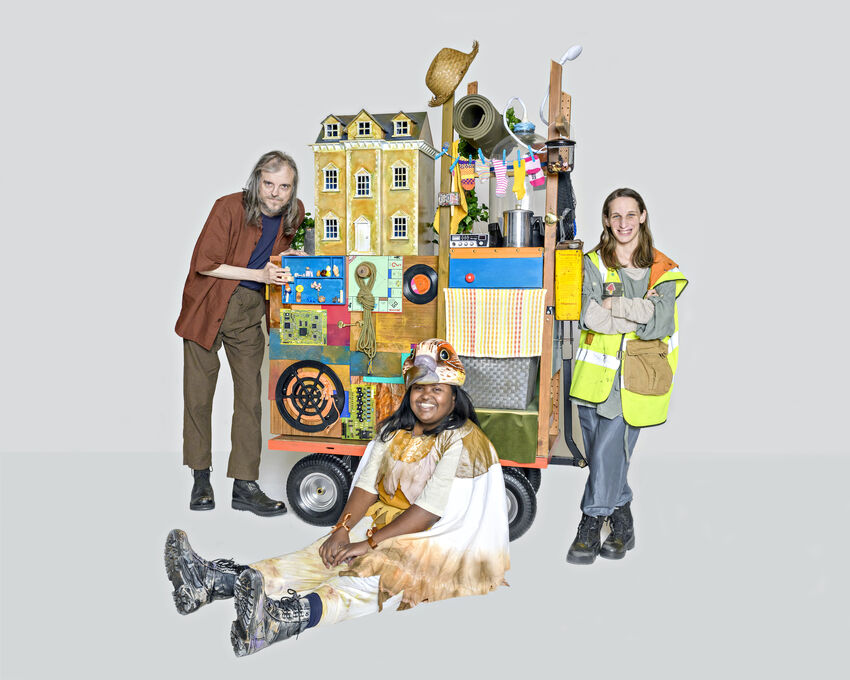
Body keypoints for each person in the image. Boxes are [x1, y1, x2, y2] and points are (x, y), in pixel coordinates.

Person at [164, 339, 509, 657]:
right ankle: (211, 583)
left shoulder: (463, 440)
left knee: (374, 573)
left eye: (437, 389)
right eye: (419, 387)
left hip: (438, 538)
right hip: (388, 522)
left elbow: (429, 512)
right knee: (323, 555)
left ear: (454, 396)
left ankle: (280, 621)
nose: (426, 396)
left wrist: (368, 544)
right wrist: (342, 530)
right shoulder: (396, 431)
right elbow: (367, 485)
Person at [175, 151, 305, 516]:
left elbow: (280, 258)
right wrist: (260, 275)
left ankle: (245, 485)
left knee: (249, 399)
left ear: (293, 188)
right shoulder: (228, 207)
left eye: (284, 186)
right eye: (269, 184)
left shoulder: (295, 213)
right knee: (198, 397)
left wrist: (291, 260)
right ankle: (201, 478)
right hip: (208, 305)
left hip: (248, 311)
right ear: (257, 180)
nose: (275, 193)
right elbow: (206, 264)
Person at [567, 188, 687, 565]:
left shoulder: (663, 269)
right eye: (615, 216)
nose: (623, 223)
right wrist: (638, 313)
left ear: (643, 216)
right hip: (592, 379)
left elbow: (660, 323)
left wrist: (614, 304)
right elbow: (589, 316)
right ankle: (623, 522)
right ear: (606, 220)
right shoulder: (591, 264)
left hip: (636, 380)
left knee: (607, 453)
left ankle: (589, 525)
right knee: (603, 458)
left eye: (630, 215)